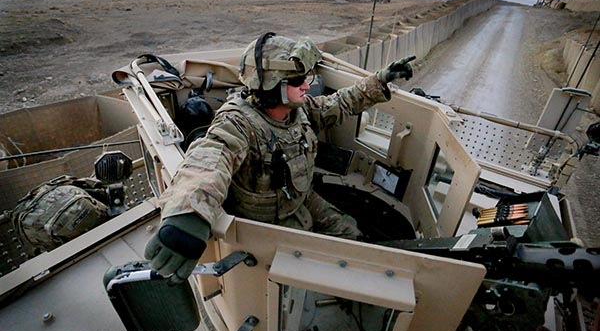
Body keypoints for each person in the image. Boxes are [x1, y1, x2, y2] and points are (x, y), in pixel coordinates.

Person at [144, 32, 415, 283]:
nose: (307, 86)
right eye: (298, 81)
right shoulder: (239, 121)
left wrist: (379, 80)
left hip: (300, 198)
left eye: (307, 77)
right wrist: (189, 213)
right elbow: (210, 158)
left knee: (352, 236)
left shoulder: (298, 110)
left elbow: (339, 103)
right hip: (264, 221)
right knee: (302, 274)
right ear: (272, 84)